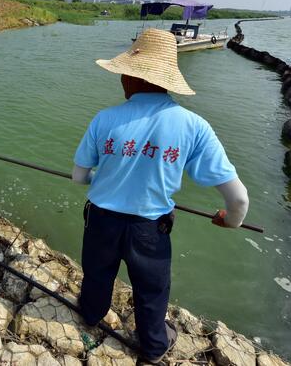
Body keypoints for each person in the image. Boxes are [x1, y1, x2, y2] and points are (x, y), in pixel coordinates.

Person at [72, 28, 249, 364]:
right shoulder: (194, 126)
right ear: (165, 80)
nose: (121, 79)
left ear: (131, 77)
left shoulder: (104, 119)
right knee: (152, 291)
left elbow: (79, 177)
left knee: (96, 274)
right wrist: (231, 221)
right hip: (150, 230)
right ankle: (154, 347)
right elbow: (239, 199)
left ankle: (91, 314)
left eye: (123, 72)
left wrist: (101, 178)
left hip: (101, 222)